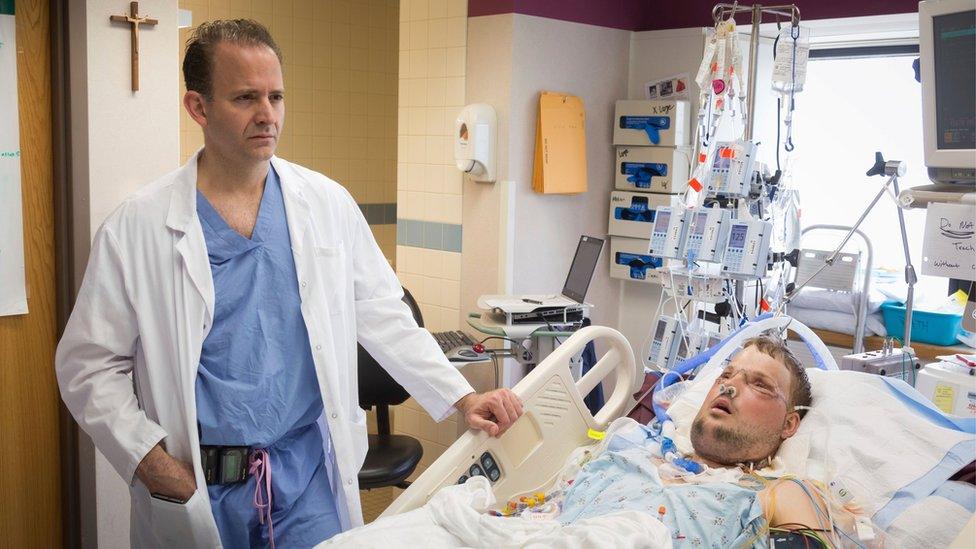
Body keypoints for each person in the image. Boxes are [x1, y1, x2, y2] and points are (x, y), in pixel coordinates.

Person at [56, 19, 522, 548]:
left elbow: (385, 314)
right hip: (201, 485)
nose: (267, 114)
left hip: (307, 481)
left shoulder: (325, 204)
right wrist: (151, 461)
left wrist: (461, 397)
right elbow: (88, 364)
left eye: (276, 96)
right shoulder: (137, 226)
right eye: (245, 97)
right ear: (198, 107)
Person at [555, 334, 831, 546]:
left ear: (789, 424)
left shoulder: (775, 495)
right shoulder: (629, 447)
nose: (729, 386)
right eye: (726, 375)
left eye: (759, 384)